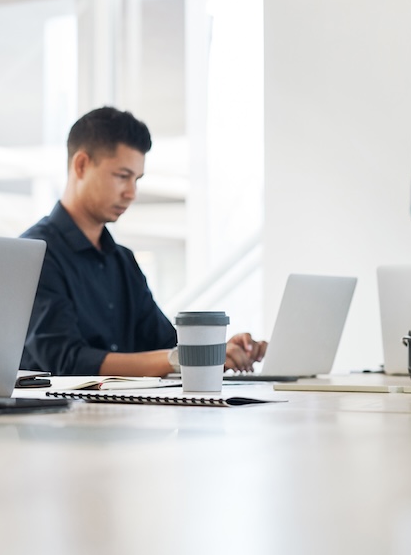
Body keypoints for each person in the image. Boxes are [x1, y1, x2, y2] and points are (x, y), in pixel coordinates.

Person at [21, 106, 267, 377]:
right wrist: (188, 356)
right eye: (122, 176)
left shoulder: (122, 261)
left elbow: (164, 345)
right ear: (81, 165)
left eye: (136, 179)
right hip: (59, 415)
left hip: (126, 412)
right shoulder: (34, 254)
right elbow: (66, 361)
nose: (131, 193)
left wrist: (217, 350)